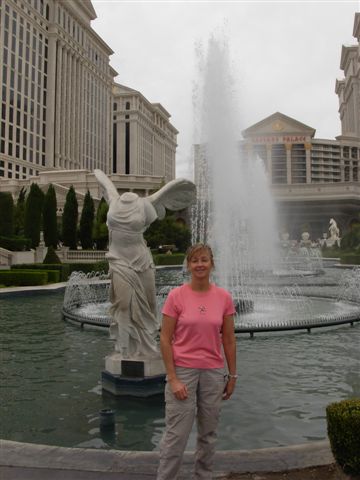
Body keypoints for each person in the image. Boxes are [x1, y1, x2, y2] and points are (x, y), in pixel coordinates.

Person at [93, 169, 196, 358]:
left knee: (149, 304)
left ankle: (147, 345)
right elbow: (99, 176)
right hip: (119, 260)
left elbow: (148, 222)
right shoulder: (114, 202)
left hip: (141, 260)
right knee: (123, 304)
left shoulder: (146, 205)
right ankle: (124, 347)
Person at [157, 243, 237, 480]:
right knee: (176, 435)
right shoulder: (176, 296)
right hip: (183, 372)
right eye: (195, 260)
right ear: (189, 265)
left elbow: (230, 340)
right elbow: (164, 338)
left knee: (208, 434)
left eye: (204, 260)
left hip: (213, 372)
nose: (200, 264)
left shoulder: (224, 297)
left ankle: (203, 476)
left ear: (212, 263)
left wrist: (232, 376)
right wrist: (172, 378)